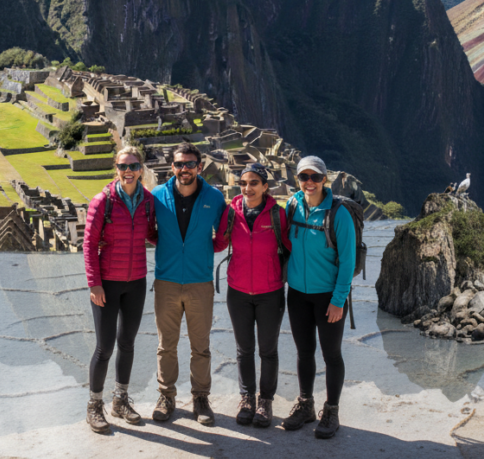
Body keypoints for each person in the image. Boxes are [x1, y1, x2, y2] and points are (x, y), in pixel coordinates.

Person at [148, 142, 227, 426]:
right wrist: (172, 249)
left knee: (200, 346)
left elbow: (224, 234)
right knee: (166, 345)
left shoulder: (213, 198)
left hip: (199, 282)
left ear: (199, 167)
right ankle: (166, 396)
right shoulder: (157, 196)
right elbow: (148, 231)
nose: (185, 169)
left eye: (190, 164)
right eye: (180, 164)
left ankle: (201, 398)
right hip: (167, 281)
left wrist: (203, 252)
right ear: (173, 167)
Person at [281, 155, 355, 439]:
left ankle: (332, 409)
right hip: (297, 294)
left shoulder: (339, 214)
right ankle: (306, 405)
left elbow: (347, 262)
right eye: (304, 177)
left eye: (315, 177)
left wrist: (338, 300)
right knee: (304, 352)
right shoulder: (292, 205)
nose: (309, 182)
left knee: (332, 354)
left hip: (328, 297)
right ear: (297, 179)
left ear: (325, 179)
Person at [83, 146, 156, 434]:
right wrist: (94, 283)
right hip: (108, 283)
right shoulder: (103, 202)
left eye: (134, 166)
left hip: (136, 280)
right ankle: (94, 405)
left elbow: (152, 234)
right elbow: (89, 244)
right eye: (124, 166)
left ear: (141, 169)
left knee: (127, 343)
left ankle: (120, 400)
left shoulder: (148, 201)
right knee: (104, 347)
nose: (129, 171)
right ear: (116, 169)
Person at [219, 162, 290, 428]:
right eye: (243, 183)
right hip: (237, 291)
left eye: (253, 183)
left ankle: (266, 401)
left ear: (265, 186)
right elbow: (218, 243)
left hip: (270, 292)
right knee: (244, 349)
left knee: (268, 350)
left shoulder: (278, 216)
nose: (248, 188)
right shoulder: (230, 213)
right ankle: (247, 397)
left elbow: (294, 246)